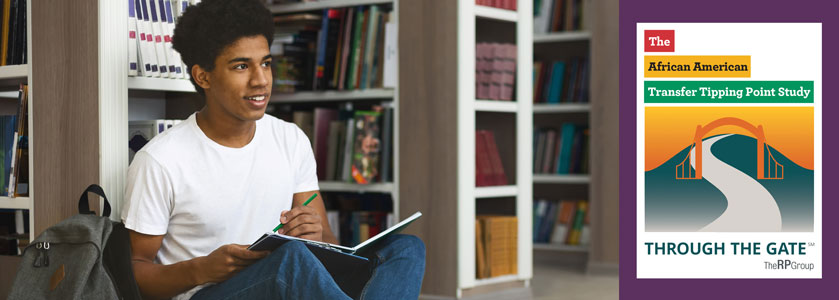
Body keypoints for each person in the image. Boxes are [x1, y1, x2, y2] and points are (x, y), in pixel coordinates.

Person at [121, 0, 425, 299]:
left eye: (266, 63)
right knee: (289, 260)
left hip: (284, 283)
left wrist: (316, 235)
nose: (261, 80)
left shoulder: (289, 139)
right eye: (242, 66)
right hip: (207, 292)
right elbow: (135, 272)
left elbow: (328, 243)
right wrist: (201, 269)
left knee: (405, 248)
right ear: (204, 76)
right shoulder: (161, 159)